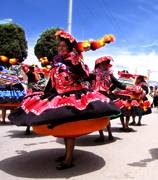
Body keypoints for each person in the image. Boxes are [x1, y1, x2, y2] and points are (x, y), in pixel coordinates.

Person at [9, 30, 121, 170]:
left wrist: (75, 57)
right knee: (63, 127)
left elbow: (82, 74)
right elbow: (52, 82)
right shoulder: (57, 63)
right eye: (59, 45)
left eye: (64, 45)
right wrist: (45, 95)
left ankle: (68, 159)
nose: (60, 48)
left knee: (69, 128)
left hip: (73, 98)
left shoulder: (72, 61)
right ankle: (67, 154)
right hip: (58, 96)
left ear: (69, 48)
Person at [88, 56, 135, 140]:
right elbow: (84, 78)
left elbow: (118, 84)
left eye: (106, 64)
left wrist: (128, 88)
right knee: (99, 116)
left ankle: (110, 134)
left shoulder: (109, 76)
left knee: (106, 116)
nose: (105, 66)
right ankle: (102, 135)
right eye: (103, 64)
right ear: (99, 65)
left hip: (105, 95)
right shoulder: (93, 74)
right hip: (96, 96)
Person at [20, 64, 44, 135]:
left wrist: (24, 67)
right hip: (37, 94)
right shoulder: (36, 75)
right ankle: (31, 127)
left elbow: (28, 73)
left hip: (33, 94)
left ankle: (29, 128)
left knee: (30, 109)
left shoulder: (35, 75)